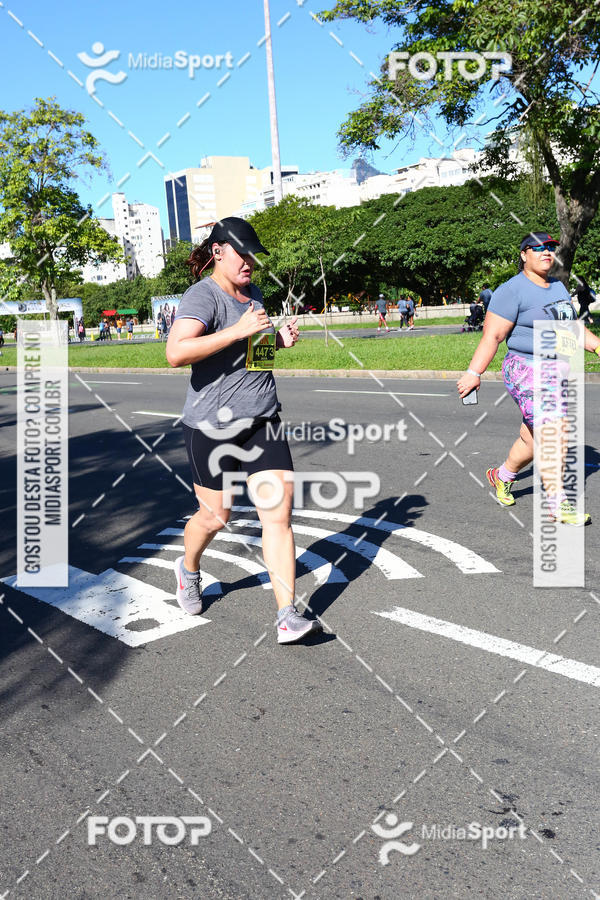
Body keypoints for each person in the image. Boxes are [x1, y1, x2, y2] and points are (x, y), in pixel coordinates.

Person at [166, 216, 322, 644]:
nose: (250, 262)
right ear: (218, 252)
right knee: (217, 516)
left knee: (278, 515)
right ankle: (189, 568)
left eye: (254, 254)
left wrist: (276, 343)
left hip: (263, 419)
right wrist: (237, 330)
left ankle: (287, 615)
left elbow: (253, 359)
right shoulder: (203, 296)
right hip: (211, 427)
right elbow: (176, 352)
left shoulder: (253, 294)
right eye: (242, 253)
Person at [457, 232, 600, 525]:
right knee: (554, 431)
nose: (546, 252)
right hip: (526, 369)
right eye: (538, 248)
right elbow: (493, 335)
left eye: (550, 247)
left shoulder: (558, 287)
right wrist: (474, 373)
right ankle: (558, 504)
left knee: (532, 439)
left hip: (556, 369)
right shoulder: (511, 290)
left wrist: (597, 346)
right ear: (524, 255)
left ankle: (502, 475)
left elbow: (570, 328)